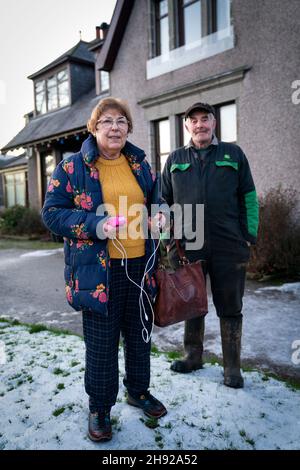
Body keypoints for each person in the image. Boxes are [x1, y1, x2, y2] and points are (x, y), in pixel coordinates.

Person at [42, 97, 167, 443]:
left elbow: (158, 198)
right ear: (94, 128)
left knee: (140, 337)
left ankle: (138, 391)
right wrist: (95, 225)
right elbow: (51, 213)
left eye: (122, 121)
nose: (115, 128)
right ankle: (99, 407)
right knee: (101, 344)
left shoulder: (140, 164)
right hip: (98, 273)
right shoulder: (72, 168)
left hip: (140, 266)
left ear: (129, 128)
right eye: (107, 121)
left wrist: (160, 213)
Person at [161, 102, 259, 388]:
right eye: (194, 120)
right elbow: (163, 203)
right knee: (192, 303)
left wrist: (248, 236)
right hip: (189, 245)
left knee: (230, 306)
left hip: (229, 244)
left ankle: (232, 367)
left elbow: (249, 197)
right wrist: (168, 242)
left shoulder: (233, 154)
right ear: (187, 126)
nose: (200, 124)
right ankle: (192, 355)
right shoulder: (175, 159)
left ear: (214, 123)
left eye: (205, 119)